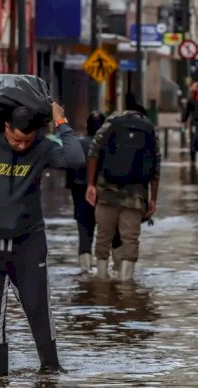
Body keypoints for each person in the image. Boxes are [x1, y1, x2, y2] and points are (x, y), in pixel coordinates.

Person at [0, 102, 84, 378]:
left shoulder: (44, 148)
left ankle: (50, 371)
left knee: (38, 308)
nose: (21, 146)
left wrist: (61, 122)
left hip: (29, 243)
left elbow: (75, 160)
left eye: (27, 140)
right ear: (5, 127)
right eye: (15, 139)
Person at [85, 103, 160, 281]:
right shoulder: (149, 128)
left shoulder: (112, 121)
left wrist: (90, 184)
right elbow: (156, 167)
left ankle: (101, 280)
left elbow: (93, 152)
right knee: (130, 240)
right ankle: (126, 285)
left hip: (107, 191)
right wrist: (153, 199)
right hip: (136, 196)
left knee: (103, 237)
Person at [66, 111, 106, 272]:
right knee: (108, 234)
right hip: (104, 193)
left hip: (80, 192)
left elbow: (69, 168)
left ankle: (85, 270)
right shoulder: (108, 145)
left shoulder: (77, 144)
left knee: (84, 232)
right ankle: (107, 272)